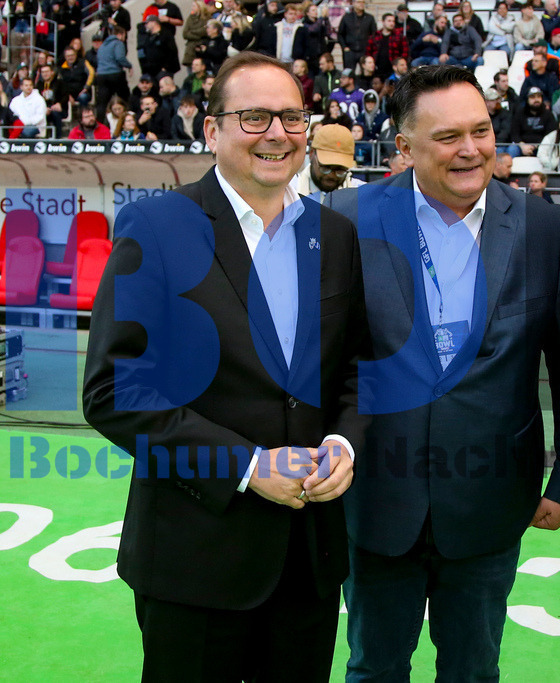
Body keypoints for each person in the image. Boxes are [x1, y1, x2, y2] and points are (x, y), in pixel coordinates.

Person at [83, 51, 369, 682]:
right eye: (255, 117)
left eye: (292, 118)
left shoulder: (335, 236)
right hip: (194, 559)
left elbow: (355, 367)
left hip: (309, 559)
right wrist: (245, 467)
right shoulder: (155, 226)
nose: (278, 134)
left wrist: (345, 442)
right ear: (210, 130)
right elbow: (114, 389)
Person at [325, 64, 560, 683]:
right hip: (376, 496)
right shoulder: (345, 217)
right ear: (404, 148)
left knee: (474, 670)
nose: (471, 149)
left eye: (481, 130)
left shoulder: (543, 227)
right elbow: (323, 355)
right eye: (449, 136)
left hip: (491, 498)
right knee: (374, 666)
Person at [297, 123, 364, 201]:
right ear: (311, 154)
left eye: (340, 170)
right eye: (325, 167)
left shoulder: (361, 194)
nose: (331, 175)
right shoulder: (290, 191)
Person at [94, 25, 131, 121]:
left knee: (102, 103)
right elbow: (120, 58)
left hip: (101, 75)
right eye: (124, 36)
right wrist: (129, 66)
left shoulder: (102, 46)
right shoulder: (118, 43)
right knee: (125, 99)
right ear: (120, 34)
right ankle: (128, 120)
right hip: (115, 74)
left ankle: (100, 124)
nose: (124, 38)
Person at [338, 0, 377, 70]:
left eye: (363, 2)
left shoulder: (370, 18)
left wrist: (370, 47)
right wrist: (344, 47)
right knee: (349, 73)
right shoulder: (346, 17)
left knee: (366, 72)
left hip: (365, 50)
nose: (361, 4)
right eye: (359, 2)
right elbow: (340, 34)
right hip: (350, 51)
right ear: (353, 3)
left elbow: (374, 34)